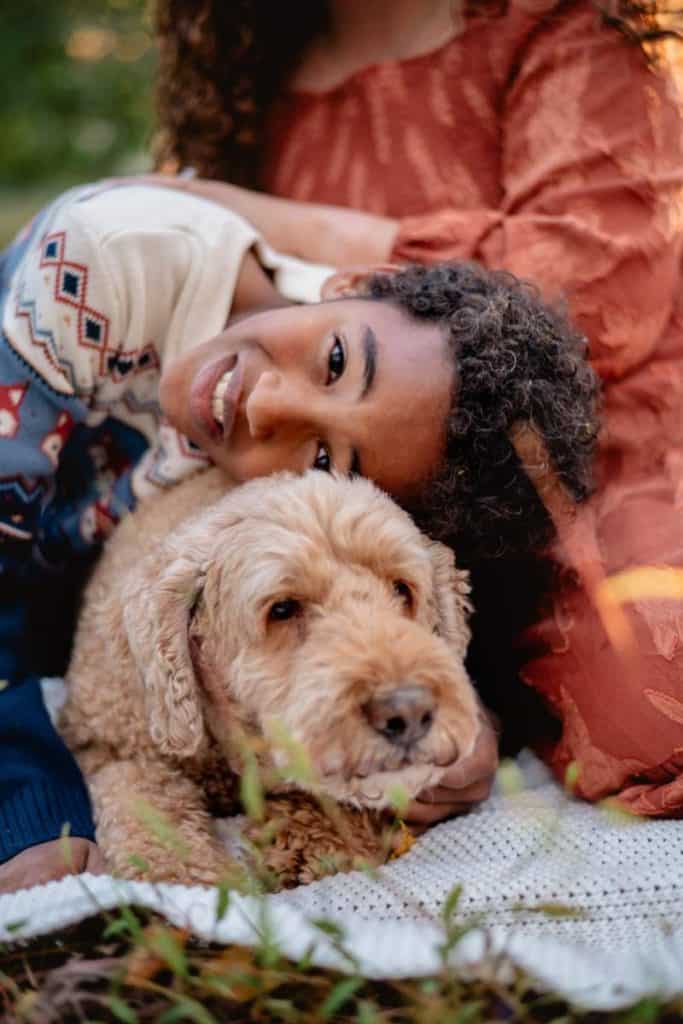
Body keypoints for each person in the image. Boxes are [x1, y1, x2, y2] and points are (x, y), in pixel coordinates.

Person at [150, 0, 683, 813]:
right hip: (387, 510)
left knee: (653, 694)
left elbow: (597, 293)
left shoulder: (559, 25)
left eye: (334, 360)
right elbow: (248, 367)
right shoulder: (254, 69)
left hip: (617, 447)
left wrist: (233, 211)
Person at [0, 180, 597, 892]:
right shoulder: (108, 262)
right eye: (338, 361)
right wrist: (29, 805)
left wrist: (460, 718)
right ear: (349, 287)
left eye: (324, 461)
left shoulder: (332, 490)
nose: (268, 403)